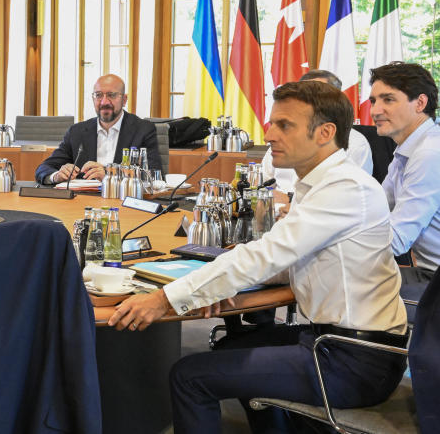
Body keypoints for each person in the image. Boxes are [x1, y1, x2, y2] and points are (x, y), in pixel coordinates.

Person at [108, 81, 407, 433]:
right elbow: (287, 262)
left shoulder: (345, 189)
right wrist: (220, 284)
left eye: (284, 125)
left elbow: (264, 256)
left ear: (325, 132)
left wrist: (164, 299)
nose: (268, 134)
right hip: (340, 343)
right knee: (227, 350)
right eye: (270, 123)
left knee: (189, 376)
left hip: (352, 358)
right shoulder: (323, 184)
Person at [369, 62, 440, 281]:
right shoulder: (409, 148)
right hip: (429, 274)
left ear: (420, 103)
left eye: (388, 99)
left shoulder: (430, 152)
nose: (374, 111)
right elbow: (375, 208)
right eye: (373, 101)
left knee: (345, 288)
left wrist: (327, 239)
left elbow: (396, 240)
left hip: (434, 280)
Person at [34, 74, 162, 184]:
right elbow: (44, 168)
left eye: (111, 95)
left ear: (124, 100)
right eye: (98, 95)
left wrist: (109, 175)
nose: (104, 102)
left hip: (123, 201)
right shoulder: (76, 132)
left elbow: (153, 175)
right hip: (81, 203)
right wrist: (56, 176)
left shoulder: (143, 130)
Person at [261, 69, 373, 193]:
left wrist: (289, 200)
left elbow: (347, 193)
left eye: (317, 95)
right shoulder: (281, 141)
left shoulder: (356, 144)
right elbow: (262, 182)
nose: (269, 137)